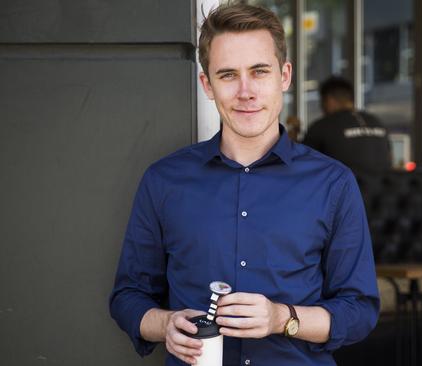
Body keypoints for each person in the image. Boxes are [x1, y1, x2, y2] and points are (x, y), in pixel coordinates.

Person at [109, 4, 379, 366]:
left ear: (284, 76)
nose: (245, 91)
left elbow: (359, 309)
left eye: (259, 71)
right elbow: (128, 297)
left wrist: (281, 318)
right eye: (228, 75)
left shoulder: (333, 183)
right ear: (207, 84)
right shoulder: (163, 181)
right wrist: (165, 323)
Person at [302, 76, 392, 173]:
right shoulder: (377, 122)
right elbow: (390, 159)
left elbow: (302, 164)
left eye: (322, 102)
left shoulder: (322, 126)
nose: (321, 107)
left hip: (344, 187)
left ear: (329, 100)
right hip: (382, 187)